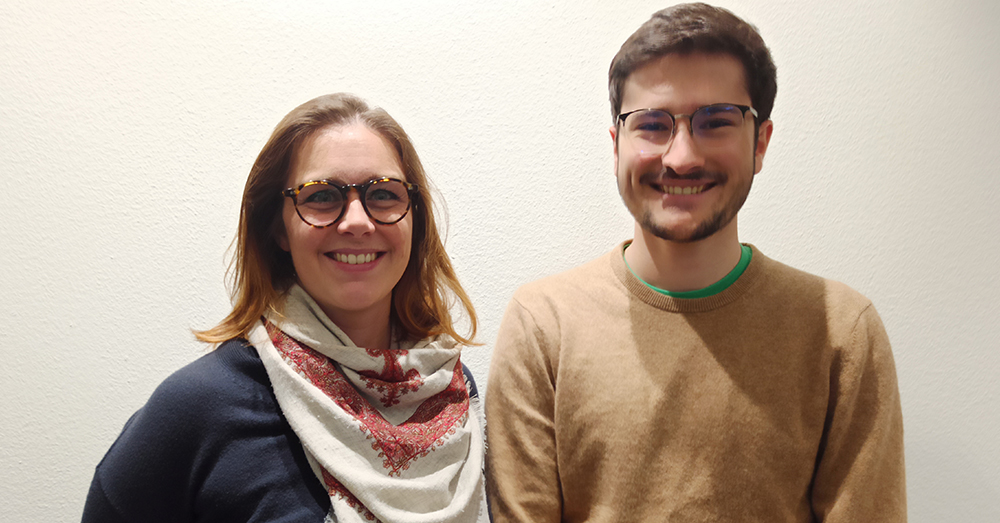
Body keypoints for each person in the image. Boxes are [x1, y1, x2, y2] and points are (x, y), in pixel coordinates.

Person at [485, 4, 905, 522]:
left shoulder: (841, 331)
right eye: (652, 124)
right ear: (616, 146)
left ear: (761, 143)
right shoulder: (543, 325)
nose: (681, 157)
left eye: (716, 122)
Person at [83, 93, 489, 523]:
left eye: (384, 194)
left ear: (414, 218)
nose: (357, 221)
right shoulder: (197, 409)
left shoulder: (449, 388)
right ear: (278, 227)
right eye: (322, 196)